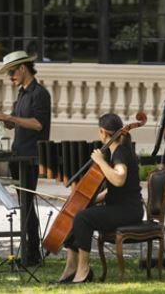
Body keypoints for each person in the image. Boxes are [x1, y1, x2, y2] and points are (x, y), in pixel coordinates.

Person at [57, 113, 143, 284]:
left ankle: (83, 270)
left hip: (128, 211)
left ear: (103, 132)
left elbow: (119, 179)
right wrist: (86, 201)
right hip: (124, 208)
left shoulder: (119, 153)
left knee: (83, 218)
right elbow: (113, 190)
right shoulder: (117, 151)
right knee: (79, 212)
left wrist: (100, 161)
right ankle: (71, 268)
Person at [0, 50, 52, 267]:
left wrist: (9, 117)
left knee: (27, 204)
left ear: (23, 68)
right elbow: (15, 123)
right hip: (18, 154)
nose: (10, 77)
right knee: (24, 204)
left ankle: (32, 254)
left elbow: (38, 124)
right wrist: (2, 120)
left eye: (12, 72)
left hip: (31, 156)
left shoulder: (40, 94)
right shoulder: (22, 93)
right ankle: (30, 252)